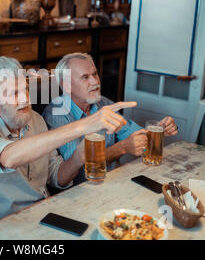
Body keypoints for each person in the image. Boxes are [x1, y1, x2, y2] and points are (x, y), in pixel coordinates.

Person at [0, 56, 136, 228]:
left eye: (26, 90)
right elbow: (9, 157)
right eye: (15, 93)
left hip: (43, 214)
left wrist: (78, 157)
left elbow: (57, 177)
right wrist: (84, 125)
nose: (25, 99)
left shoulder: (36, 120)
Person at [43, 53, 178, 184]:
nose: (95, 81)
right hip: (85, 189)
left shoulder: (103, 103)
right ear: (67, 85)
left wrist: (157, 132)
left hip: (115, 179)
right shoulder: (57, 114)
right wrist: (122, 148)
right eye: (85, 77)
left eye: (95, 74)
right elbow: (79, 169)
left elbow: (134, 136)